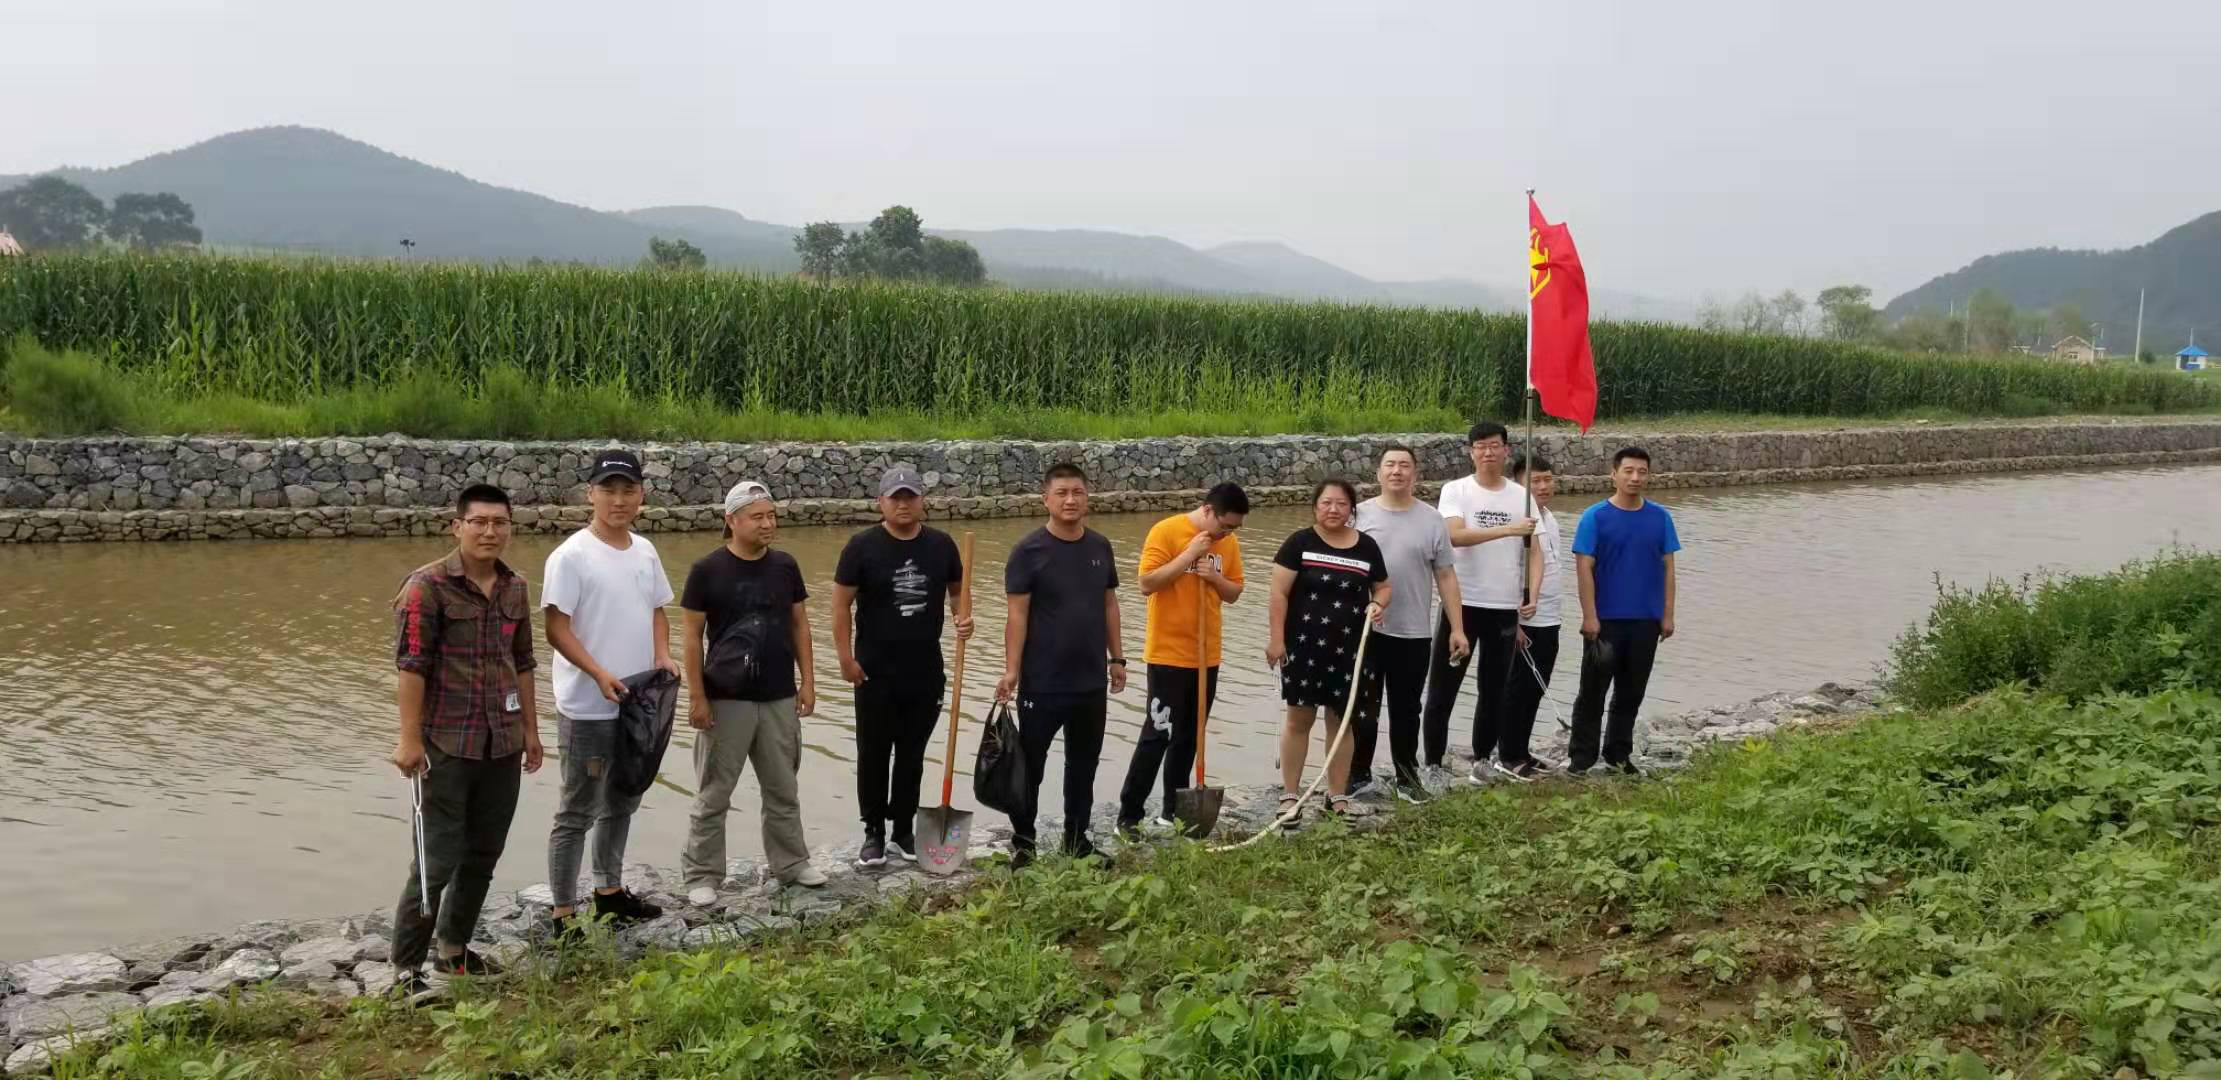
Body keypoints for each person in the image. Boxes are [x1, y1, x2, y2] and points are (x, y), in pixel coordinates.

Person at [388, 483, 543, 986]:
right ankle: (405, 969)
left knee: (483, 854)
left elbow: (523, 662)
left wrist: (531, 731)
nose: (489, 531)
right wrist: (409, 739)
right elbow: (411, 667)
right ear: (458, 526)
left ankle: (453, 950)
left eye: (499, 522)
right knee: (435, 861)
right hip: (445, 745)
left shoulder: (515, 587)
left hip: (502, 743)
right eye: (479, 522)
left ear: (510, 528)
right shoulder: (425, 587)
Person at [541, 450, 676, 933]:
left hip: (638, 701)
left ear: (641, 496)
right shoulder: (570, 556)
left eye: (628, 490)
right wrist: (598, 673)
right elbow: (556, 629)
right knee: (577, 809)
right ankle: (562, 914)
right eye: (608, 490)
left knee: (624, 798)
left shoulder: (645, 550)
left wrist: (663, 654)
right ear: (590, 495)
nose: (618, 500)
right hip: (588, 705)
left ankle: (609, 893)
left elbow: (658, 610)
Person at [680, 480, 825, 901]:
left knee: (783, 789)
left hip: (779, 696)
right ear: (732, 520)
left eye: (771, 515)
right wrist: (697, 696)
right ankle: (702, 876)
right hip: (726, 699)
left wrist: (808, 682)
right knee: (714, 794)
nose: (768, 524)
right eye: (757, 516)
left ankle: (792, 864)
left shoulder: (785, 566)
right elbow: (691, 637)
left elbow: (799, 625)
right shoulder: (706, 570)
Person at [832, 467, 971, 868]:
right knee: (873, 753)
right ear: (881, 502)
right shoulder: (861, 547)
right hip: (873, 671)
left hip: (925, 671)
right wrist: (844, 659)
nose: (904, 504)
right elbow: (840, 606)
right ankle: (874, 831)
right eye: (896, 497)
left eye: (910, 496)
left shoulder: (941, 545)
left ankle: (903, 831)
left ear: (922, 500)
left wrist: (963, 617)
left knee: (912, 754)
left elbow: (958, 592)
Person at [996, 462, 1125, 867]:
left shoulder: (1100, 547)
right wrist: (1011, 670)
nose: (1070, 500)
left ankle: (1077, 840)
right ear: (1046, 500)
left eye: (1077, 492)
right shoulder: (1028, 551)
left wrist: (1118, 658)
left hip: (1090, 681)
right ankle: (1024, 844)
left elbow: (1109, 603)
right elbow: (1017, 616)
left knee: (1083, 766)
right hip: (1042, 682)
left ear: (1088, 498)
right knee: (1030, 768)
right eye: (1062, 493)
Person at [1116, 482, 1248, 836]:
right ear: (1207, 511)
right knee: (1157, 733)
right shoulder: (1166, 531)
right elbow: (1147, 583)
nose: (1227, 533)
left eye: (1234, 528)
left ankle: (1172, 812)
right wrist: (1189, 555)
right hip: (1168, 654)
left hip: (1207, 655)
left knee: (1189, 737)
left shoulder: (1228, 543)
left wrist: (1215, 577)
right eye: (1224, 525)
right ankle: (1128, 816)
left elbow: (1234, 592)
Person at [1422, 422, 1541, 785]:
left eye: (1495, 445)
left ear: (1507, 450)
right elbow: (1454, 536)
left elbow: (1535, 551)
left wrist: (1532, 594)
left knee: (1494, 689)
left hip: (1503, 605)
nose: (1488, 452)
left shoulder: (1521, 495)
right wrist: (1508, 530)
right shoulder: (1456, 490)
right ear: (1470, 452)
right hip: (1462, 604)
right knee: (1443, 688)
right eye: (1481, 446)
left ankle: (1483, 759)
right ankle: (1432, 764)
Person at [1266, 479, 1391, 820]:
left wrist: (1378, 604)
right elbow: (1278, 594)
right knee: (1299, 719)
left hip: (1349, 650)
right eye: (1326, 503)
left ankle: (1336, 795)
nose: (1333, 509)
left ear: (1352, 509)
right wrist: (1276, 640)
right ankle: (1290, 795)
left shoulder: (1367, 547)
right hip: (1303, 647)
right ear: (1315, 506)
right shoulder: (1299, 543)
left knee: (1341, 721)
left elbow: (1383, 587)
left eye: (1341, 504)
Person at [1352, 445, 1467, 805]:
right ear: (1378, 473)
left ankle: (1406, 777)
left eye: (1404, 465)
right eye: (1390, 465)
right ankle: (1357, 776)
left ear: (1415, 474)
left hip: (1413, 632)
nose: (1397, 471)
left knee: (1407, 709)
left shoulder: (1432, 519)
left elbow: (1446, 575)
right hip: (1367, 631)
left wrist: (1457, 628)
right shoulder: (1359, 515)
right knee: (1363, 708)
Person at [1569, 447, 1681, 776]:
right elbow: (1584, 568)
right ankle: (1581, 758)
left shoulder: (1660, 517)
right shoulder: (1595, 517)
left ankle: (1618, 755)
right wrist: (1590, 616)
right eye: (1628, 471)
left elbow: (1669, 568)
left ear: (1648, 475)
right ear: (1614, 475)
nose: (1635, 478)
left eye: (1641, 472)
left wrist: (1668, 614)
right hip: (1605, 622)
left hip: (1646, 620)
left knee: (1631, 693)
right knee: (1592, 693)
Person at [1499, 451, 1566, 781]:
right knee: (1517, 689)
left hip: (1550, 615)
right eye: (1534, 481)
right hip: (1524, 620)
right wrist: (1514, 621)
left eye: (1547, 479)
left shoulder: (1548, 517)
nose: (1542, 486)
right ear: (1517, 485)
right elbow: (1505, 570)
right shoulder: (1518, 521)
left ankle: (1522, 750)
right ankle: (1507, 755)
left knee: (1536, 687)